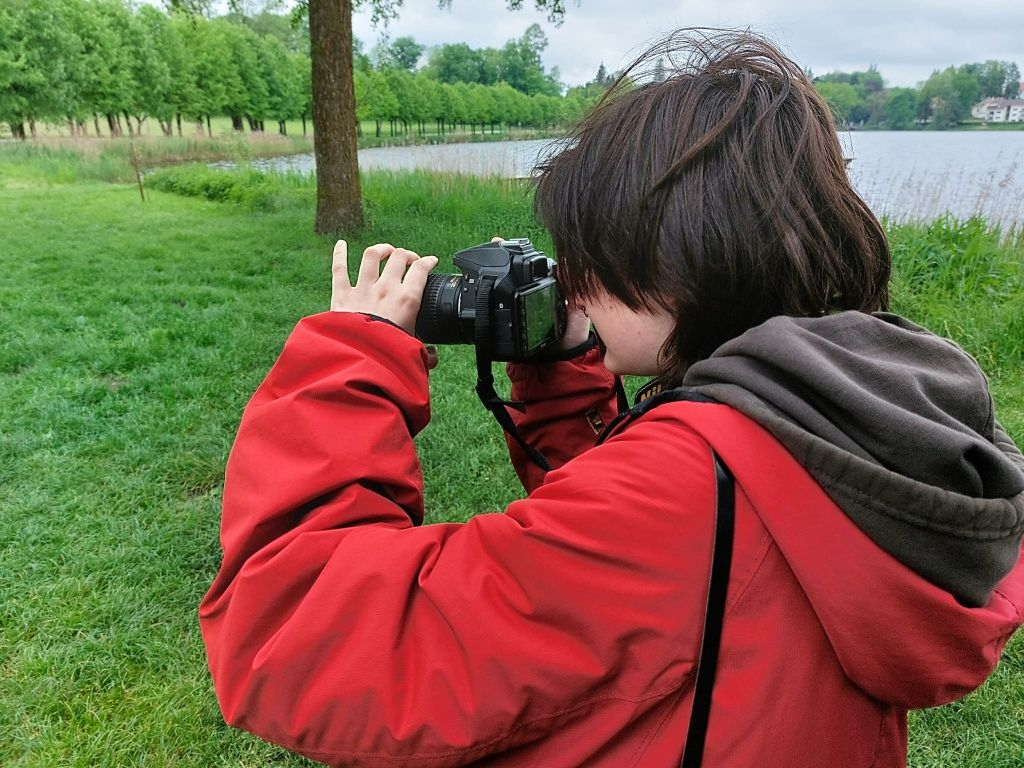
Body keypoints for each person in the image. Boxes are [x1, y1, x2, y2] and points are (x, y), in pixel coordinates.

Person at [198, 30, 1024, 767]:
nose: (573, 284)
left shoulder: (680, 490)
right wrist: (564, 377)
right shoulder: (849, 413)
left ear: (678, 260)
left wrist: (354, 358)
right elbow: (675, 577)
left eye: (588, 257)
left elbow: (294, 634)